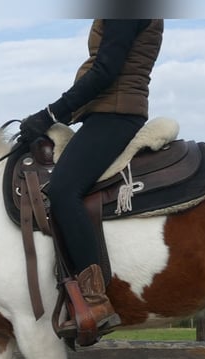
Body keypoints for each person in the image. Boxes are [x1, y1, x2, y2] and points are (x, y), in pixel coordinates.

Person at [19, 19, 164, 342]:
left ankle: (96, 302)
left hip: (116, 115)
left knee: (63, 189)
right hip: (108, 112)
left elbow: (106, 70)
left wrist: (50, 113)